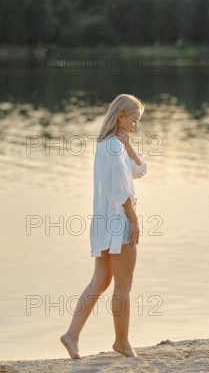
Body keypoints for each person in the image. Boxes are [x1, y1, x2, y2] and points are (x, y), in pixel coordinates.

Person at [60, 94, 148, 359]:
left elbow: (141, 170)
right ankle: (122, 342)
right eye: (134, 120)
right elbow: (120, 192)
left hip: (103, 223)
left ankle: (71, 335)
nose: (135, 126)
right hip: (119, 223)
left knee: (100, 281)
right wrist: (133, 219)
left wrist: (130, 146)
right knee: (124, 285)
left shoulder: (109, 146)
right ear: (121, 116)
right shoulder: (113, 149)